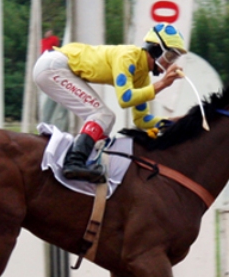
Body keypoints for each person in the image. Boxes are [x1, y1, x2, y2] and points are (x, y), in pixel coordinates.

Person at [33, 23, 187, 183]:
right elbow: (125, 99)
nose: (170, 64)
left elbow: (142, 120)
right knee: (102, 115)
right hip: (53, 66)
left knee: (106, 118)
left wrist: (176, 123)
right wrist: (162, 84)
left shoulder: (142, 77)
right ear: (155, 49)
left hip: (55, 67)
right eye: (170, 56)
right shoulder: (128, 57)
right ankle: (74, 161)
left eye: (174, 58)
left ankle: (83, 160)